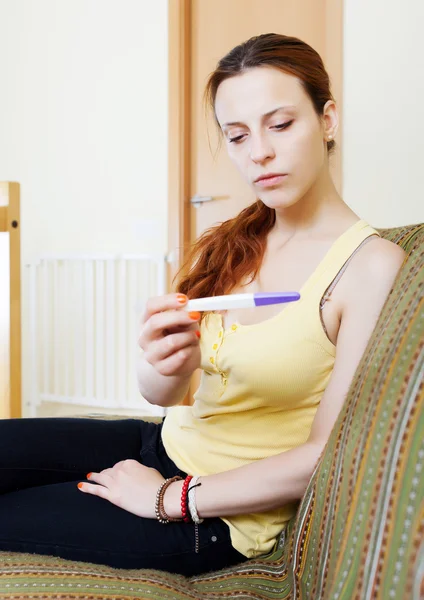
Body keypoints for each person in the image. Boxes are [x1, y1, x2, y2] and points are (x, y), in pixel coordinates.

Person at [0, 33, 405, 577]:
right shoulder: (235, 244)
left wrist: (172, 498)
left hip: (217, 513)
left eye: (280, 125)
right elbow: (167, 395)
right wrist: (159, 362)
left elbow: (323, 456)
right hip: (159, 442)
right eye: (236, 136)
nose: (258, 151)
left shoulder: (370, 265)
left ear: (327, 119)